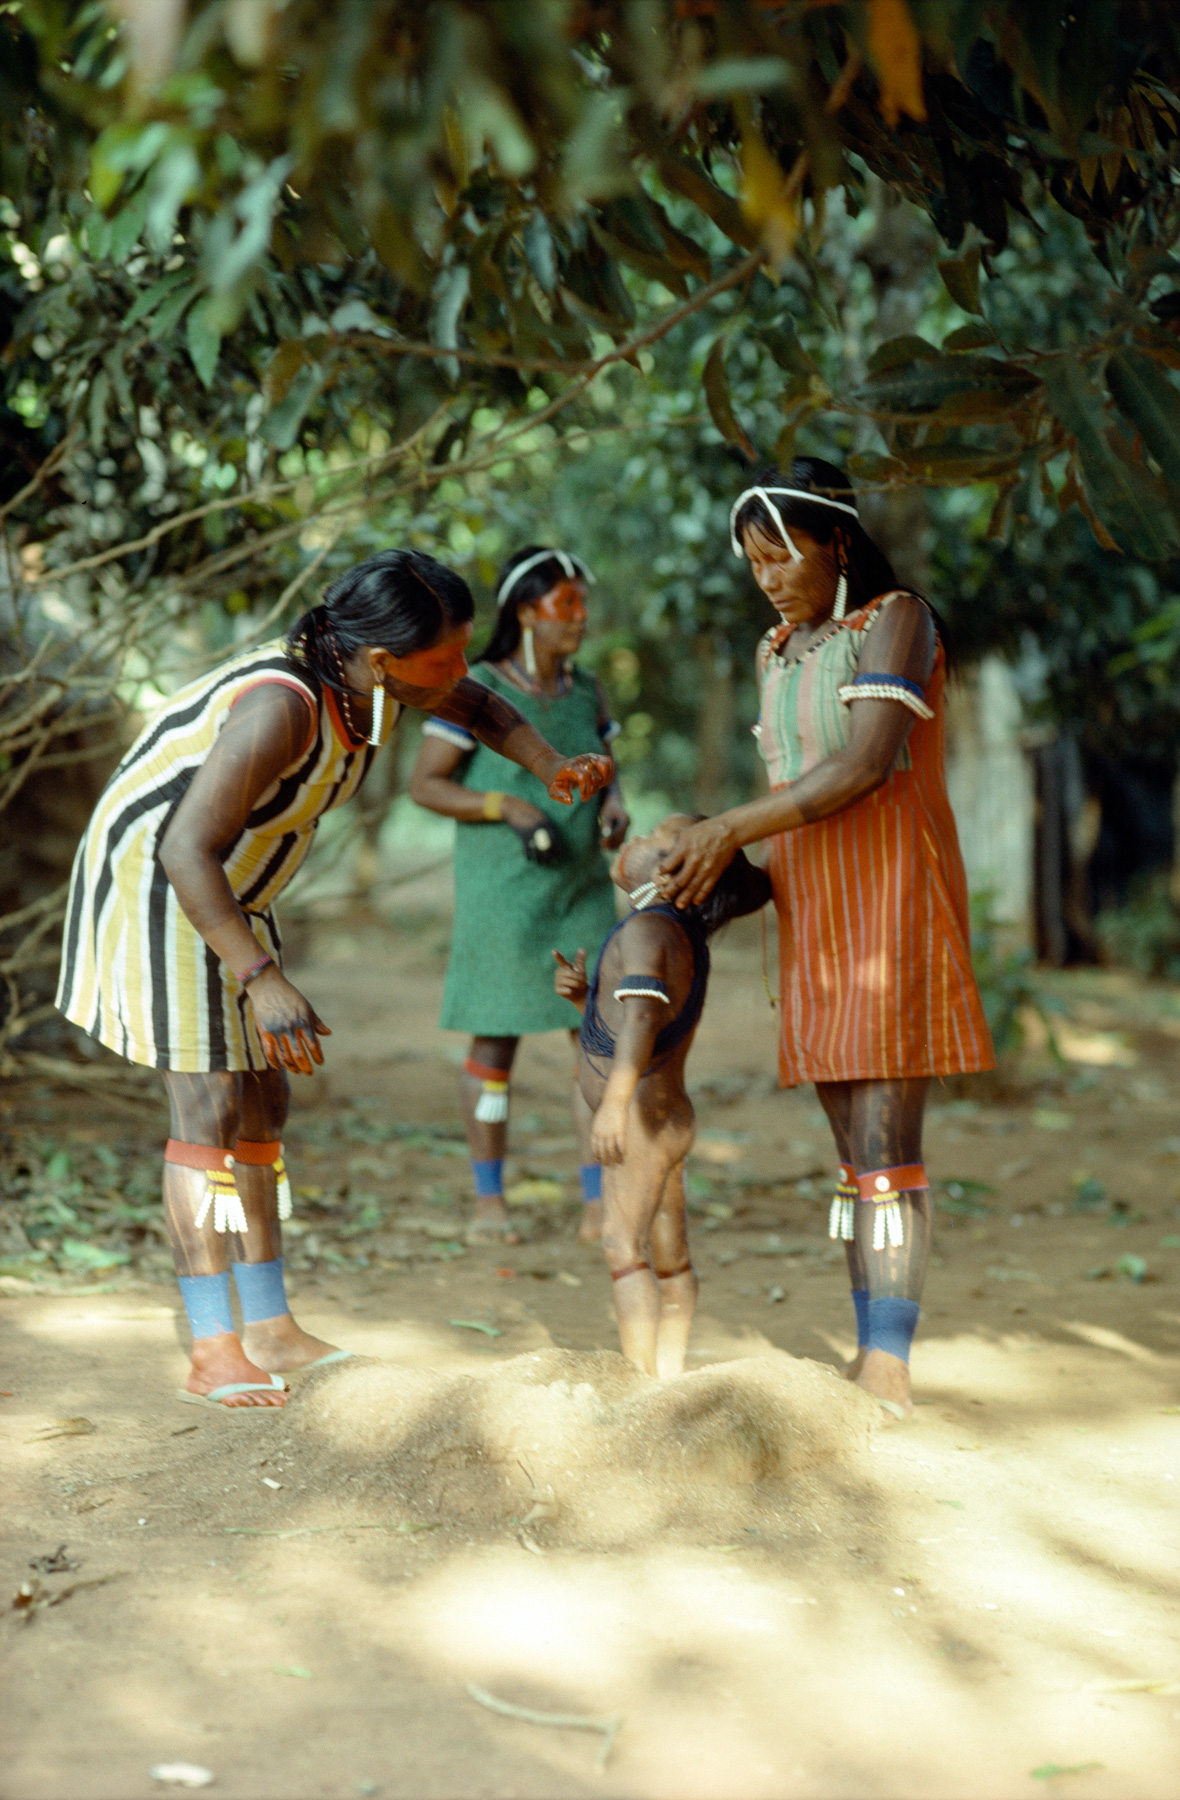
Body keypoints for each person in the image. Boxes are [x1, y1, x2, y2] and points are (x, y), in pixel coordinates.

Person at [56, 549, 612, 1408]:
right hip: (166, 887)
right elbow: (181, 848)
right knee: (207, 1104)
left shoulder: (379, 682)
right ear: (384, 661)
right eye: (443, 658)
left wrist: (547, 764)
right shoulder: (283, 708)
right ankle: (214, 1343)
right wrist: (260, 977)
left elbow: (480, 704)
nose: (460, 673)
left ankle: (270, 1319)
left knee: (264, 1102)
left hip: (231, 888)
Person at [656, 460, 995, 1417]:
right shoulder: (778, 653)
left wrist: (726, 825)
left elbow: (863, 765)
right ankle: (867, 1345)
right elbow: (789, 810)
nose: (768, 577)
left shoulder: (896, 619)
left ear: (837, 542)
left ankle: (887, 1362)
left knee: (887, 1143)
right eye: (754, 562)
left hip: (891, 904)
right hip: (816, 919)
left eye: (785, 555)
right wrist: (699, 882)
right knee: (853, 1149)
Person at [409, 546, 629, 1242]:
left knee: (594, 1038)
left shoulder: (587, 690)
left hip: (579, 888)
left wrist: (615, 804)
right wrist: (505, 807)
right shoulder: (475, 686)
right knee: (494, 1048)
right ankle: (489, 1201)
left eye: (582, 604)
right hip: (502, 889)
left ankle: (599, 1201)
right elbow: (427, 784)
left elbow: (606, 767)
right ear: (526, 611)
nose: (581, 618)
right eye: (567, 604)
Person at [554, 814, 771, 1377]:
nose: (638, 838)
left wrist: (613, 1105)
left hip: (641, 1124)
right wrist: (586, 999)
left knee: (622, 1250)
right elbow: (636, 1024)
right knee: (671, 1260)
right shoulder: (676, 933)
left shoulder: (647, 931)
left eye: (655, 839)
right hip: (666, 1118)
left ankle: (640, 1384)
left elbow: (645, 1019)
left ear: (675, 877)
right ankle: (670, 1375)